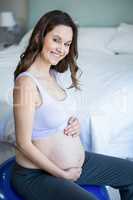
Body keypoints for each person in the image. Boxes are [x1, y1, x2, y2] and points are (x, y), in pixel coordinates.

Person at [11, 10, 133, 200]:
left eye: (67, 44)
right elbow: (23, 143)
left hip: (75, 166)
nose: (62, 49)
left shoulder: (54, 75)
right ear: (39, 37)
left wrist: (73, 122)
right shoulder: (26, 83)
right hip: (37, 176)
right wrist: (62, 174)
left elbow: (52, 115)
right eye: (56, 40)